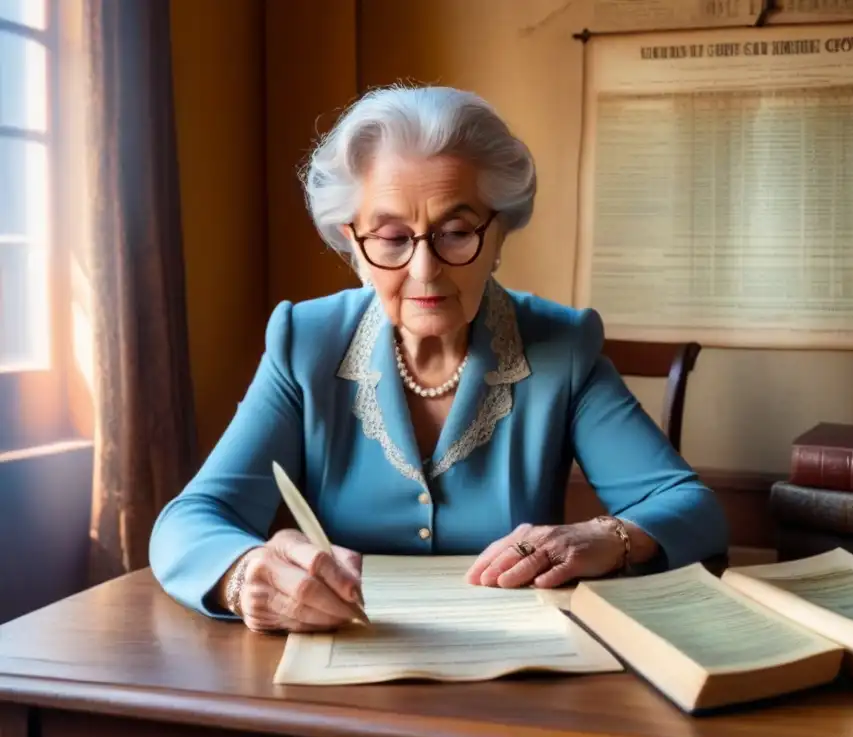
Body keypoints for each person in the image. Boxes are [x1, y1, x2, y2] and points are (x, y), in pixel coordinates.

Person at [149, 84, 728, 633]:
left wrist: (611, 535)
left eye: (456, 232)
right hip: (344, 661)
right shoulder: (306, 340)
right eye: (392, 237)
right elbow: (189, 521)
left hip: (518, 668)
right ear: (353, 243)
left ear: (498, 234)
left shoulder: (562, 345)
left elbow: (690, 507)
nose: (424, 271)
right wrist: (245, 576)